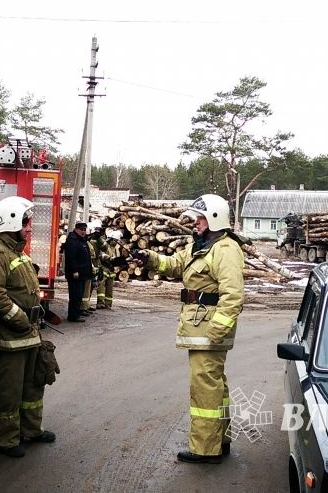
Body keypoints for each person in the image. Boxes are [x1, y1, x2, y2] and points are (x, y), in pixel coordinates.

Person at [133, 194, 246, 464]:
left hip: (209, 332)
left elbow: (233, 296)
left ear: (215, 219)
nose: (195, 222)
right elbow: (173, 265)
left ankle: (206, 449)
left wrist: (217, 332)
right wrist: (148, 257)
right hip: (201, 329)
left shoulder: (226, 249)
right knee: (215, 385)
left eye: (200, 218)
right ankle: (220, 439)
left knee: (204, 387)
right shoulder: (202, 246)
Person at [0, 196, 56, 458]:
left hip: (29, 334)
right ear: (11, 222)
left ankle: (31, 430)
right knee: (8, 390)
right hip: (10, 337)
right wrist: (21, 319)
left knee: (33, 385)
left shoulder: (16, 251)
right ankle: (5, 440)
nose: (30, 227)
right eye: (25, 222)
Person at [63, 221, 92, 322]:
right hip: (75, 274)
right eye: (81, 230)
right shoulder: (72, 240)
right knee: (75, 295)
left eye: (84, 230)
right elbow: (71, 258)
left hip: (82, 274)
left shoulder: (81, 240)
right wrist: (74, 271)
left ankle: (76, 312)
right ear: (76, 229)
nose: (83, 232)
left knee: (79, 295)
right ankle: (73, 316)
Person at [96, 230, 122, 309]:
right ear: (112, 239)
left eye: (117, 241)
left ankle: (108, 304)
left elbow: (117, 258)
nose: (116, 242)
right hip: (104, 269)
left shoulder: (116, 249)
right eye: (116, 240)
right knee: (101, 287)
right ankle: (100, 303)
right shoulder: (105, 246)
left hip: (111, 271)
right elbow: (101, 255)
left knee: (109, 288)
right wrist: (110, 258)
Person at [81, 222, 103, 313]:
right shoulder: (85, 242)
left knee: (90, 287)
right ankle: (83, 307)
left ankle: (86, 306)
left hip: (93, 267)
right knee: (85, 289)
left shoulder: (89, 242)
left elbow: (98, 254)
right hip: (88, 267)